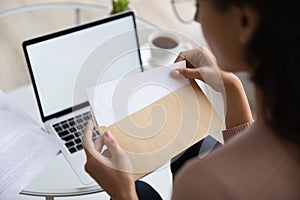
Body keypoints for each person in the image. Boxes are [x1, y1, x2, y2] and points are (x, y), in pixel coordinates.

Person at [83, 0, 300, 199]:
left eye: (199, 5)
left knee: (139, 190)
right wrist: (230, 85)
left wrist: (123, 194)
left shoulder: (202, 183)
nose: (196, 18)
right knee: (193, 146)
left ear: (244, 21)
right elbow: (254, 164)